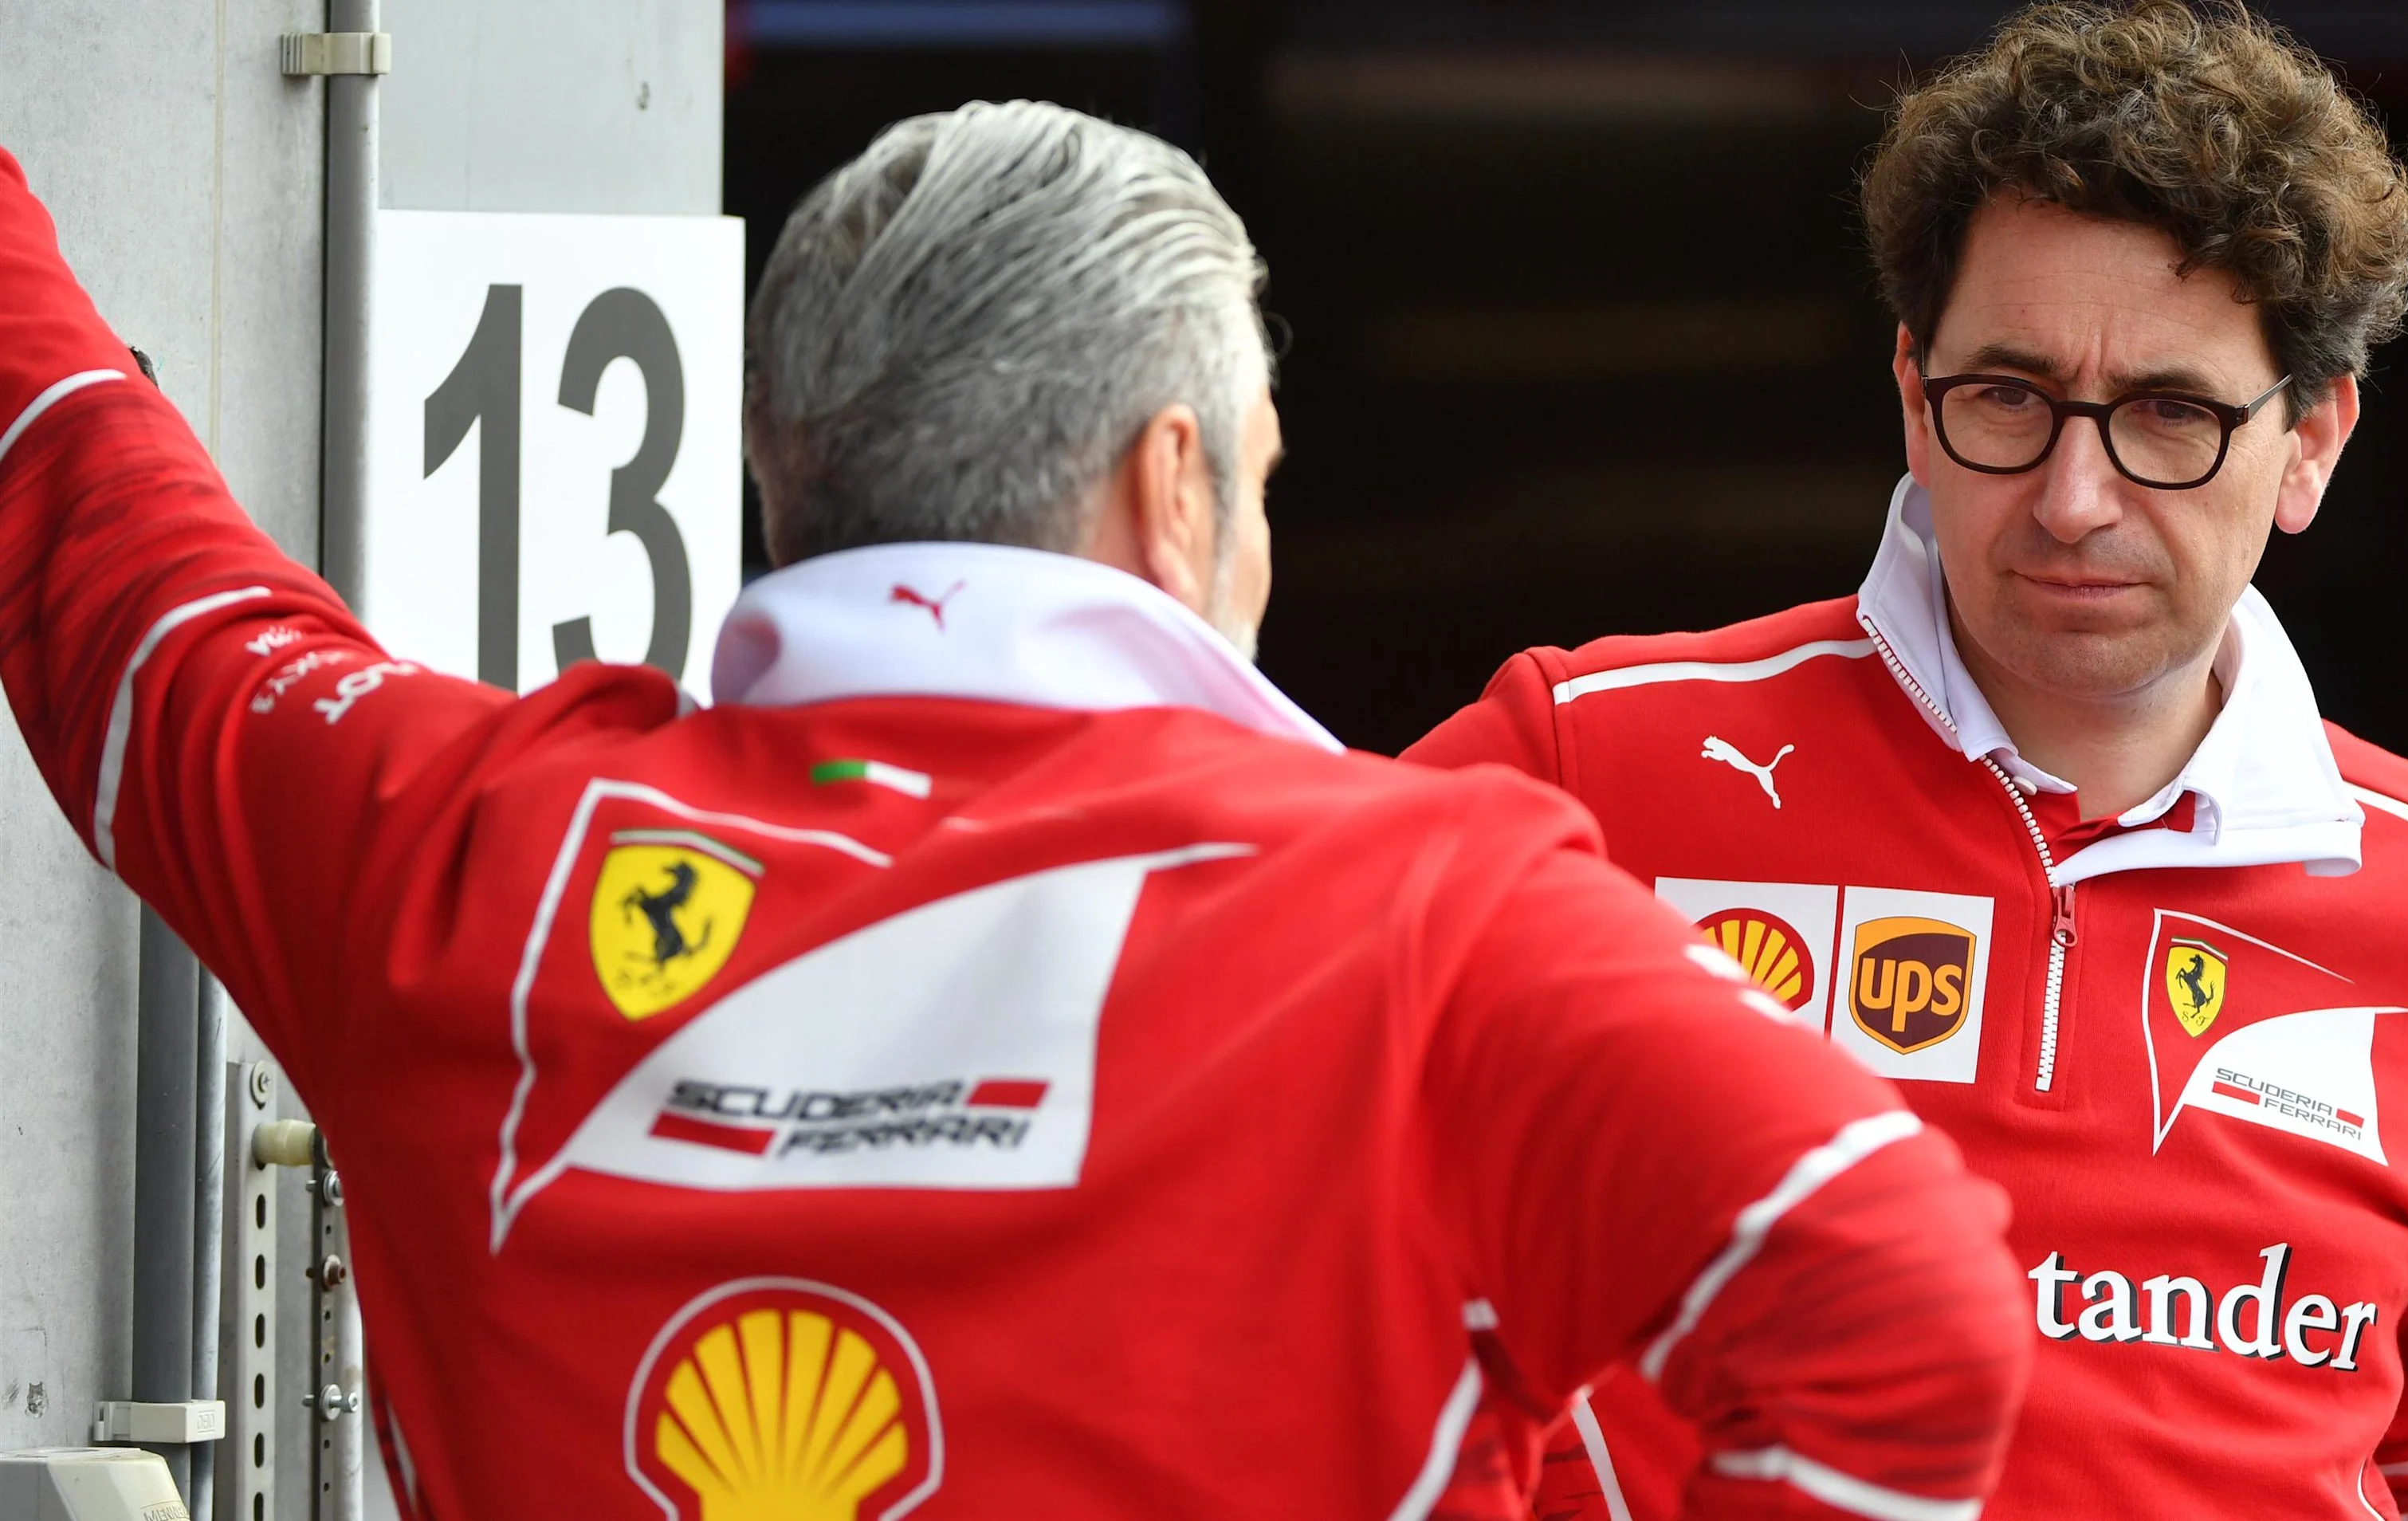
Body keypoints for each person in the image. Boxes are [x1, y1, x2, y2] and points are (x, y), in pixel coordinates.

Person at [0, 104, 2029, 1518]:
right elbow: (1902, 1310)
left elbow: (110, 554)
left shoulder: (448, 852)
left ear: (786, 469)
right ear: (1178, 484)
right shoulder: (1433, 907)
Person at [1407, 4, 2408, 1518]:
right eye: (2008, 397)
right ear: (1911, 393)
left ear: (2313, 444)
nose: (2076, 497)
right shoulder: (1593, 755)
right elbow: (1239, 1116)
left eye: (2169, 415)